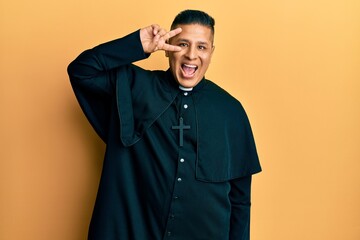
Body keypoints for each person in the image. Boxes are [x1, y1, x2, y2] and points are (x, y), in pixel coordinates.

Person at [68, 9, 261, 240]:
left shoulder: (231, 111)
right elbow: (82, 71)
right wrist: (137, 45)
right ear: (168, 47)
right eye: (182, 44)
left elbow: (240, 201)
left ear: (211, 52)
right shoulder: (135, 87)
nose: (191, 55)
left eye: (201, 47)